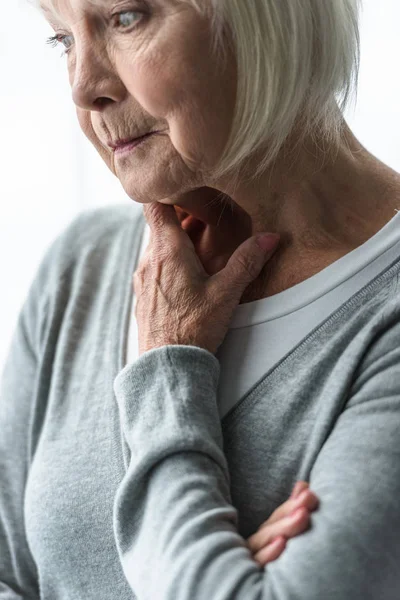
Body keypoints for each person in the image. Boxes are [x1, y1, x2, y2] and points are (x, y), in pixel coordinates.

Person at [1, 0, 400, 597]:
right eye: (63, 41)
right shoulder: (83, 263)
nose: (84, 88)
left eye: (126, 18)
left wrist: (167, 366)